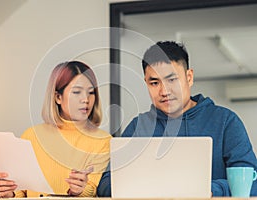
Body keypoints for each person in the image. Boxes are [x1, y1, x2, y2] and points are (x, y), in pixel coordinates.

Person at [97, 41, 257, 197]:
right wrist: (147, 186)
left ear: (189, 77)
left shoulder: (225, 121)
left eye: (172, 80)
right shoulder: (139, 127)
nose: (164, 91)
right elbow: (105, 184)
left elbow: (252, 182)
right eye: (154, 83)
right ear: (146, 83)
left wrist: (210, 190)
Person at [0, 61, 111, 198]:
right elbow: (20, 193)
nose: (86, 99)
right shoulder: (31, 136)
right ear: (58, 97)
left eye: (91, 92)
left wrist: (79, 190)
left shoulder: (103, 140)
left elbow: (92, 190)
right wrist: (7, 193)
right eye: (77, 92)